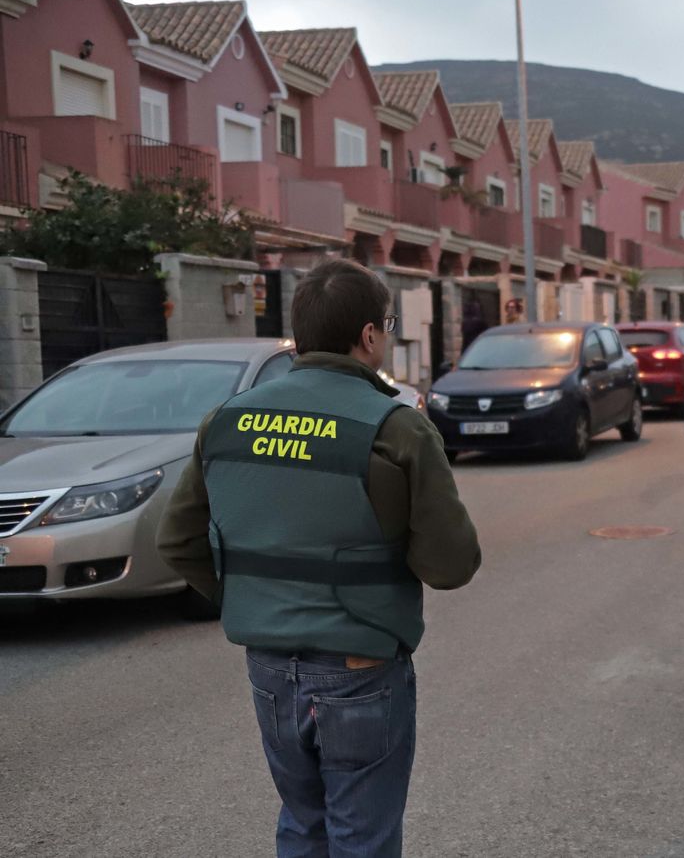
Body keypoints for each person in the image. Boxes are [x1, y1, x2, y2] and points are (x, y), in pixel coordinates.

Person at [157, 258, 482, 857]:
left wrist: (255, 597)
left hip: (270, 667)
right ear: (368, 335)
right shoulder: (398, 430)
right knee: (362, 836)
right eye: (385, 325)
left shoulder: (225, 423)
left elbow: (176, 542)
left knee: (303, 823)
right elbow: (451, 565)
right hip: (361, 668)